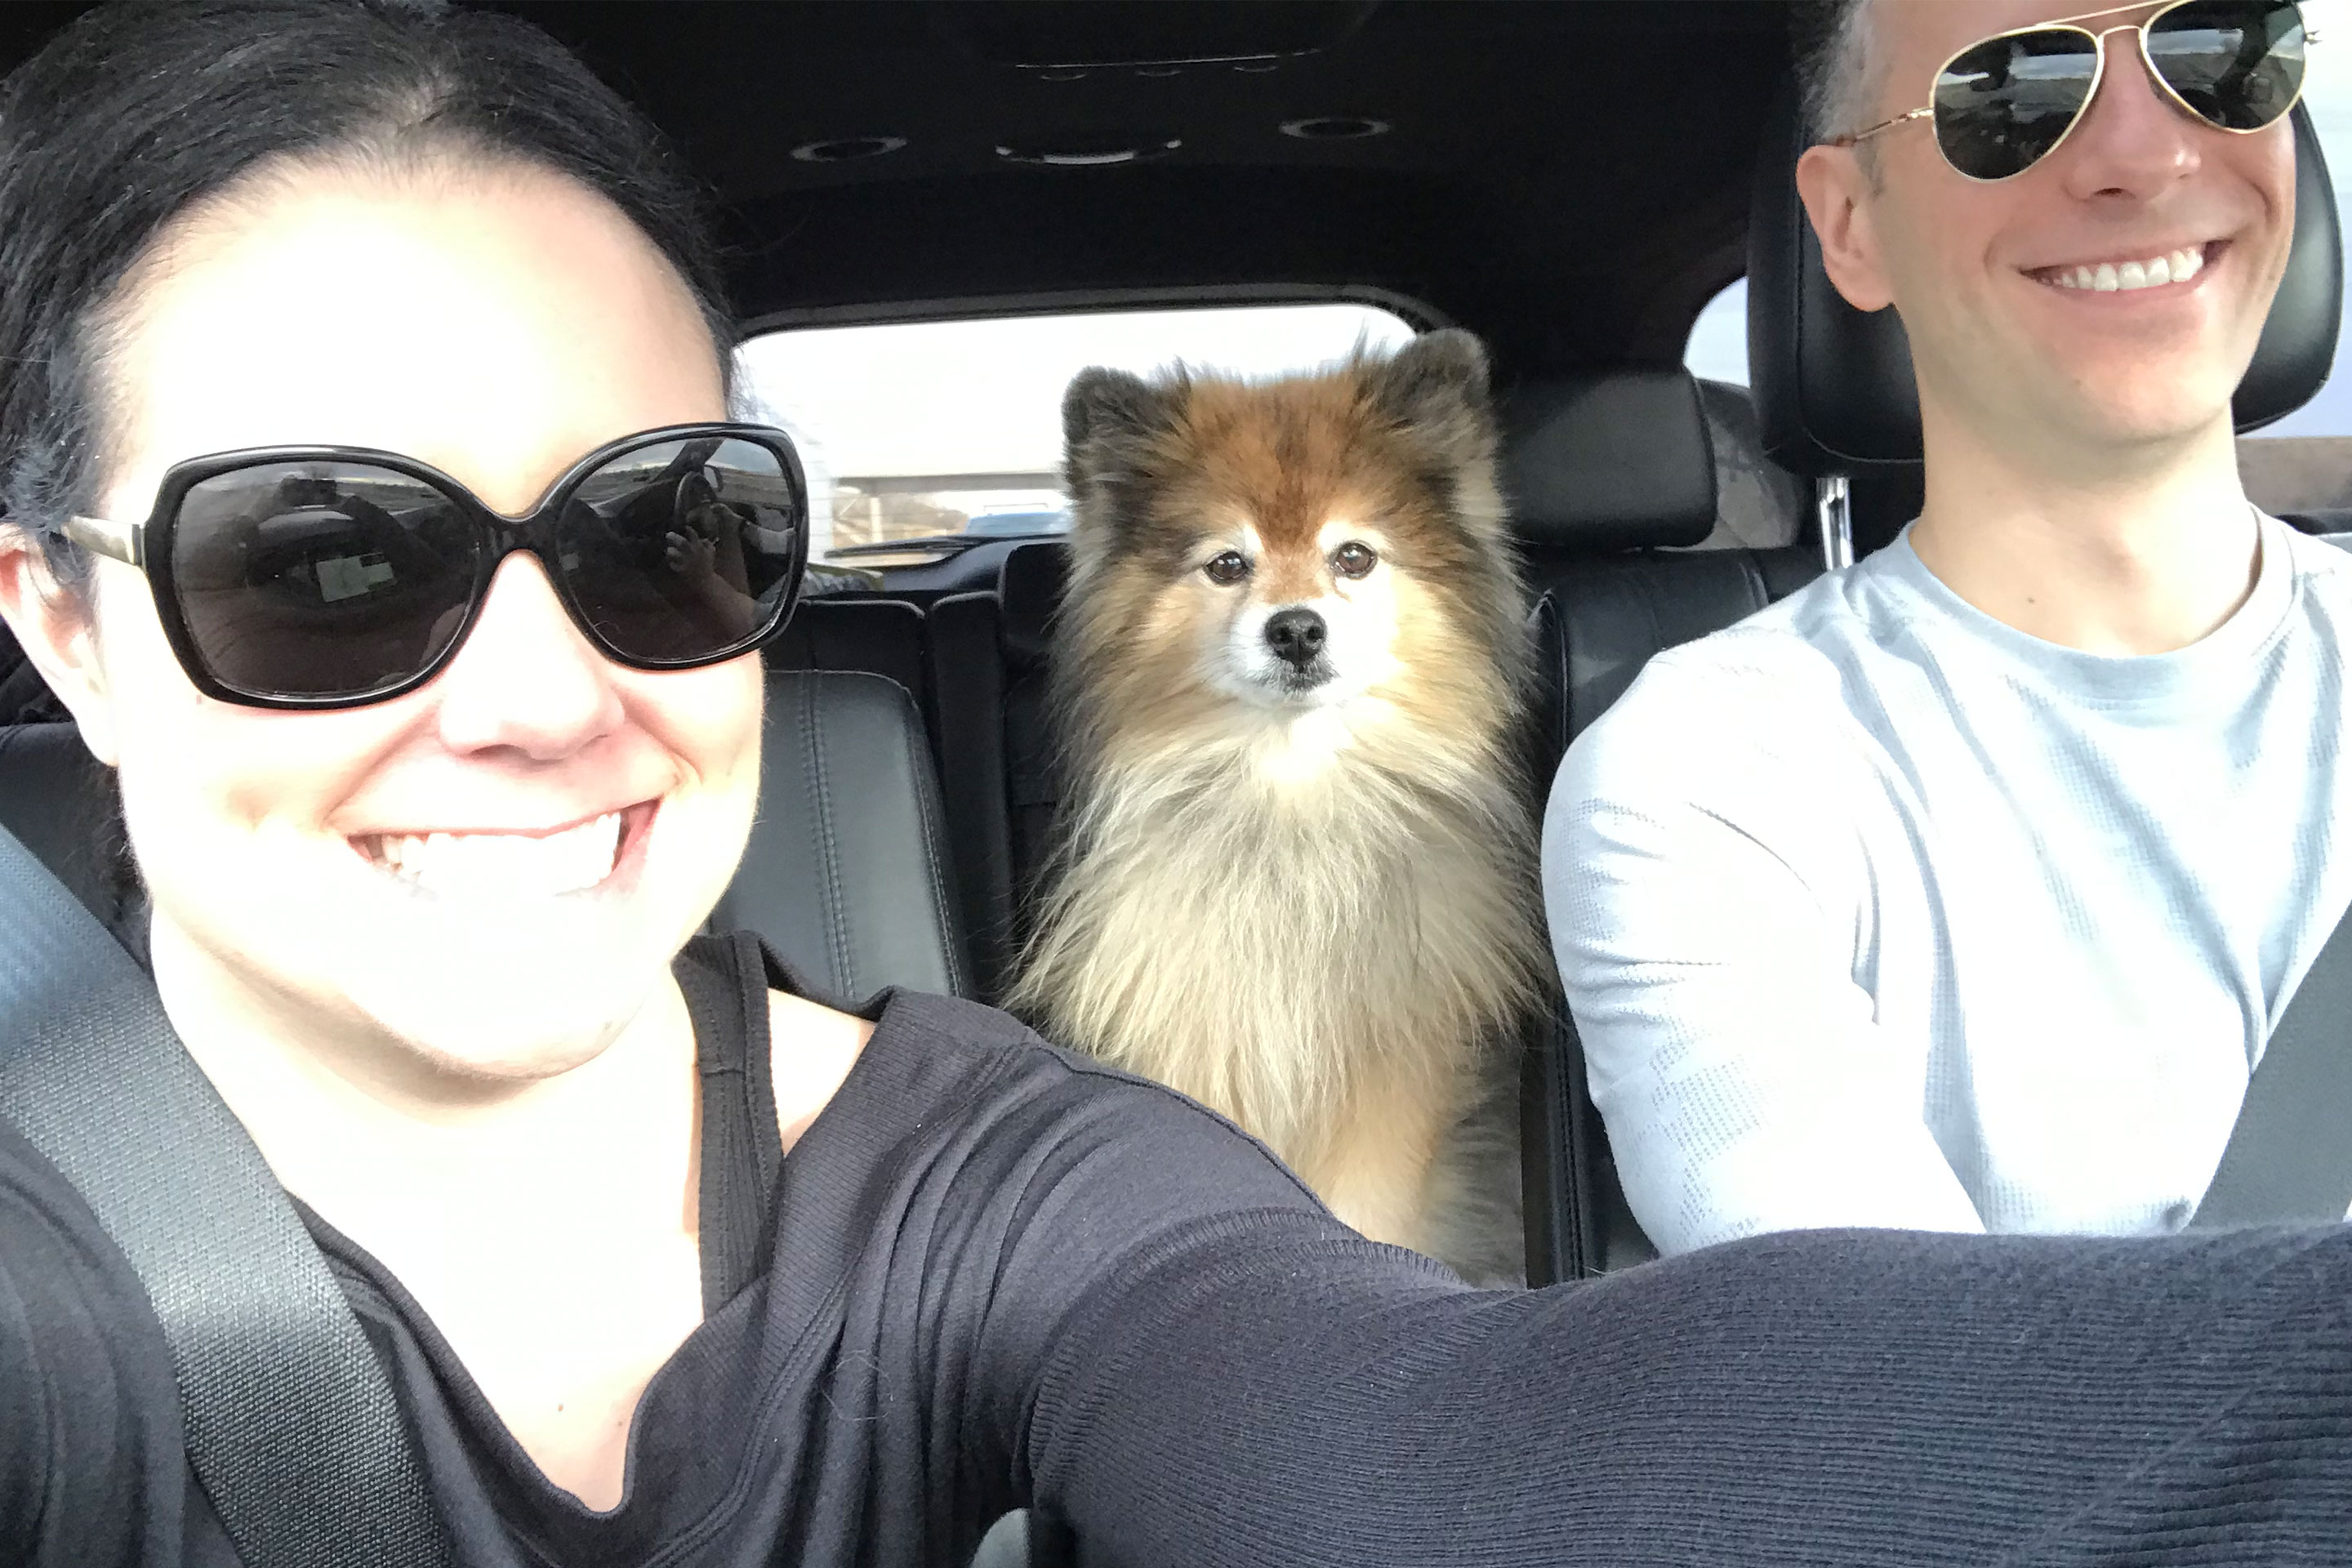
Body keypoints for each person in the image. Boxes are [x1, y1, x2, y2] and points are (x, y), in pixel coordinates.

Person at [0, 2, 2347, 1563]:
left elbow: (1423, 1437)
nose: (529, 694)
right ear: (58, 620)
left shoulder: (994, 1186)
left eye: (661, 531)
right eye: (319, 560)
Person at [1545, 0, 2352, 1256]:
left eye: (2217, 55)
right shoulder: (1709, 786)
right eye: (2015, 94)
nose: (2145, 155)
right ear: (1851, 228)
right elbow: (1918, 1404)